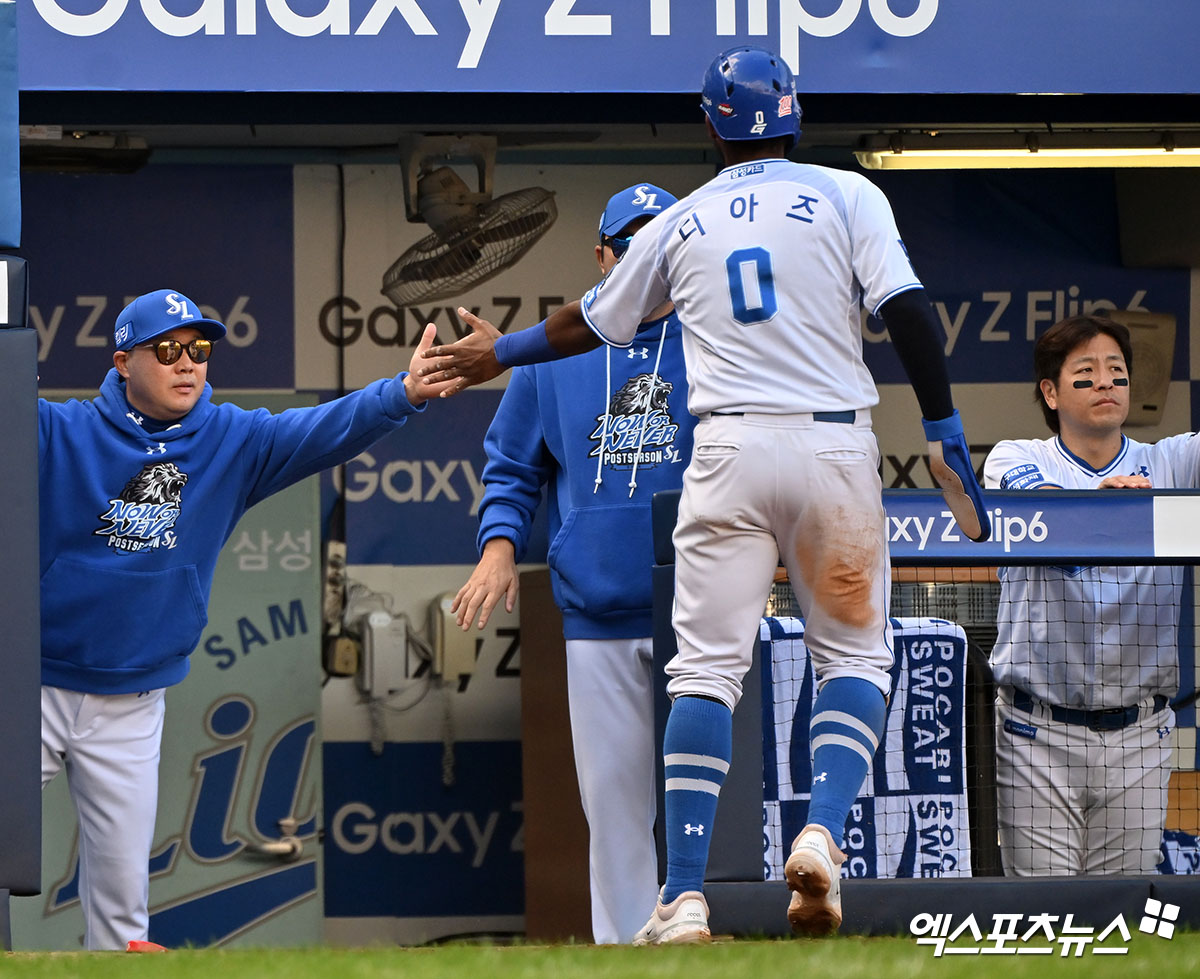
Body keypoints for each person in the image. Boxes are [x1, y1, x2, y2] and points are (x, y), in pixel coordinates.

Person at [419, 45, 988, 943]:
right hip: (828, 439)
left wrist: (502, 351)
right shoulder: (848, 194)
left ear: (712, 128)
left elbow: (588, 319)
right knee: (855, 659)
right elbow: (909, 310)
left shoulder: (682, 222)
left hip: (726, 452)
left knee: (706, 674)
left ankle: (684, 897)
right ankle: (822, 831)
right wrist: (944, 423)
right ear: (795, 114)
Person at [36, 288, 450, 951]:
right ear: (122, 361)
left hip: (134, 700)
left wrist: (402, 391)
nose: (187, 363)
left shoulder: (230, 438)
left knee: (120, 912)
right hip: (37, 686)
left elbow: (324, 429)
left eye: (199, 349)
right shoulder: (61, 431)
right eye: (167, 349)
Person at [452, 182, 692, 944]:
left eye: (665, 247)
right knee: (617, 808)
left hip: (703, 607)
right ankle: (625, 952)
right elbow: (511, 467)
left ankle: (723, 951)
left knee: (713, 803)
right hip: (597, 611)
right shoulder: (553, 351)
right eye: (631, 248)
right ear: (601, 256)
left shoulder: (723, 338)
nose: (648, 264)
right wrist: (498, 551)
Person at [985, 314, 1189, 876]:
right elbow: (1059, 534)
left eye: (1117, 372)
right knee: (1041, 924)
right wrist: (1105, 508)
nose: (1106, 382)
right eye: (1087, 372)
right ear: (1050, 392)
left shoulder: (1172, 462)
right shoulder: (1014, 456)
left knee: (1120, 924)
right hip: (1036, 733)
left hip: (1140, 737)